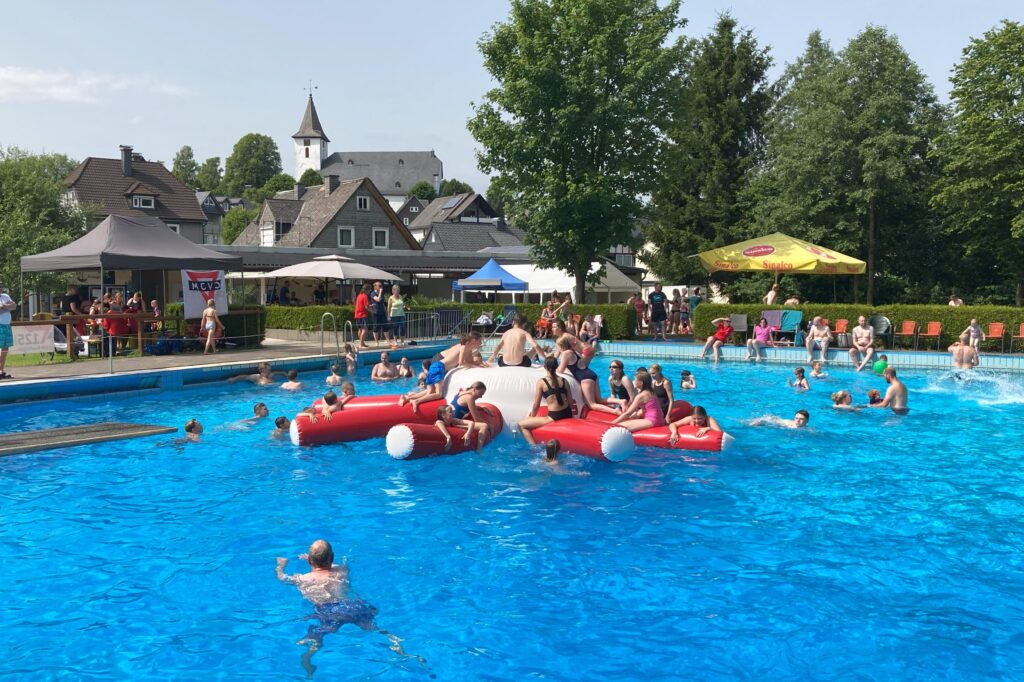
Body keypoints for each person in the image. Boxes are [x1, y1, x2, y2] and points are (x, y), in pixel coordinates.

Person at [276, 540, 420, 678]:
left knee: (316, 637)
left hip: (329, 612)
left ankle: (308, 663)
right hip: (352, 606)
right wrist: (317, 559)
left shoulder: (303, 578)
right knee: (375, 628)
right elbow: (330, 565)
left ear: (309, 561)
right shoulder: (342, 570)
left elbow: (282, 578)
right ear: (332, 557)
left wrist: (281, 566)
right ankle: (396, 643)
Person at [518, 356, 576, 444]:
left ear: (545, 367)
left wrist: (532, 417)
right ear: (556, 366)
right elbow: (570, 401)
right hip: (567, 413)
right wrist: (572, 416)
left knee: (521, 425)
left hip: (554, 416)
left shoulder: (542, 382)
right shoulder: (564, 381)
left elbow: (536, 404)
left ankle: (534, 447)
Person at [556, 338, 618, 415]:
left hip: (585, 379)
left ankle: (615, 411)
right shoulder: (573, 351)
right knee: (599, 400)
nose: (557, 348)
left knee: (591, 405)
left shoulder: (565, 353)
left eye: (557, 346)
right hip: (591, 374)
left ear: (561, 345)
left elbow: (561, 370)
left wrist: (555, 369)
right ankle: (620, 401)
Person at [0, 285, 15, 379]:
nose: (1, 288)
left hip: (7, 325)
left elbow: (14, 306)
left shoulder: (5, 296)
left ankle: (1, 371)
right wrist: (8, 307)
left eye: (1, 286)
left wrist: (4, 306)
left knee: (5, 348)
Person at [369, 281, 391, 347]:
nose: (381, 287)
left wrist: (386, 312)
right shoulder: (372, 294)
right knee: (376, 327)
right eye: (380, 286)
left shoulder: (381, 294)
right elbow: (378, 300)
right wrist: (380, 292)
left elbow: (383, 303)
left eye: (381, 285)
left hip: (382, 312)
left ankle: (388, 341)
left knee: (385, 326)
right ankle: (377, 342)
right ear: (375, 287)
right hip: (376, 313)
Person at [354, 284, 371, 348]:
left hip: (357, 315)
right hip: (363, 315)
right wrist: (372, 310)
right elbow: (366, 307)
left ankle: (362, 343)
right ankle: (361, 344)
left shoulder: (359, 295)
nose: (370, 291)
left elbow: (361, 305)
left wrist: (369, 306)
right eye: (369, 290)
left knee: (360, 329)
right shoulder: (365, 296)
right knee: (365, 329)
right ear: (366, 290)